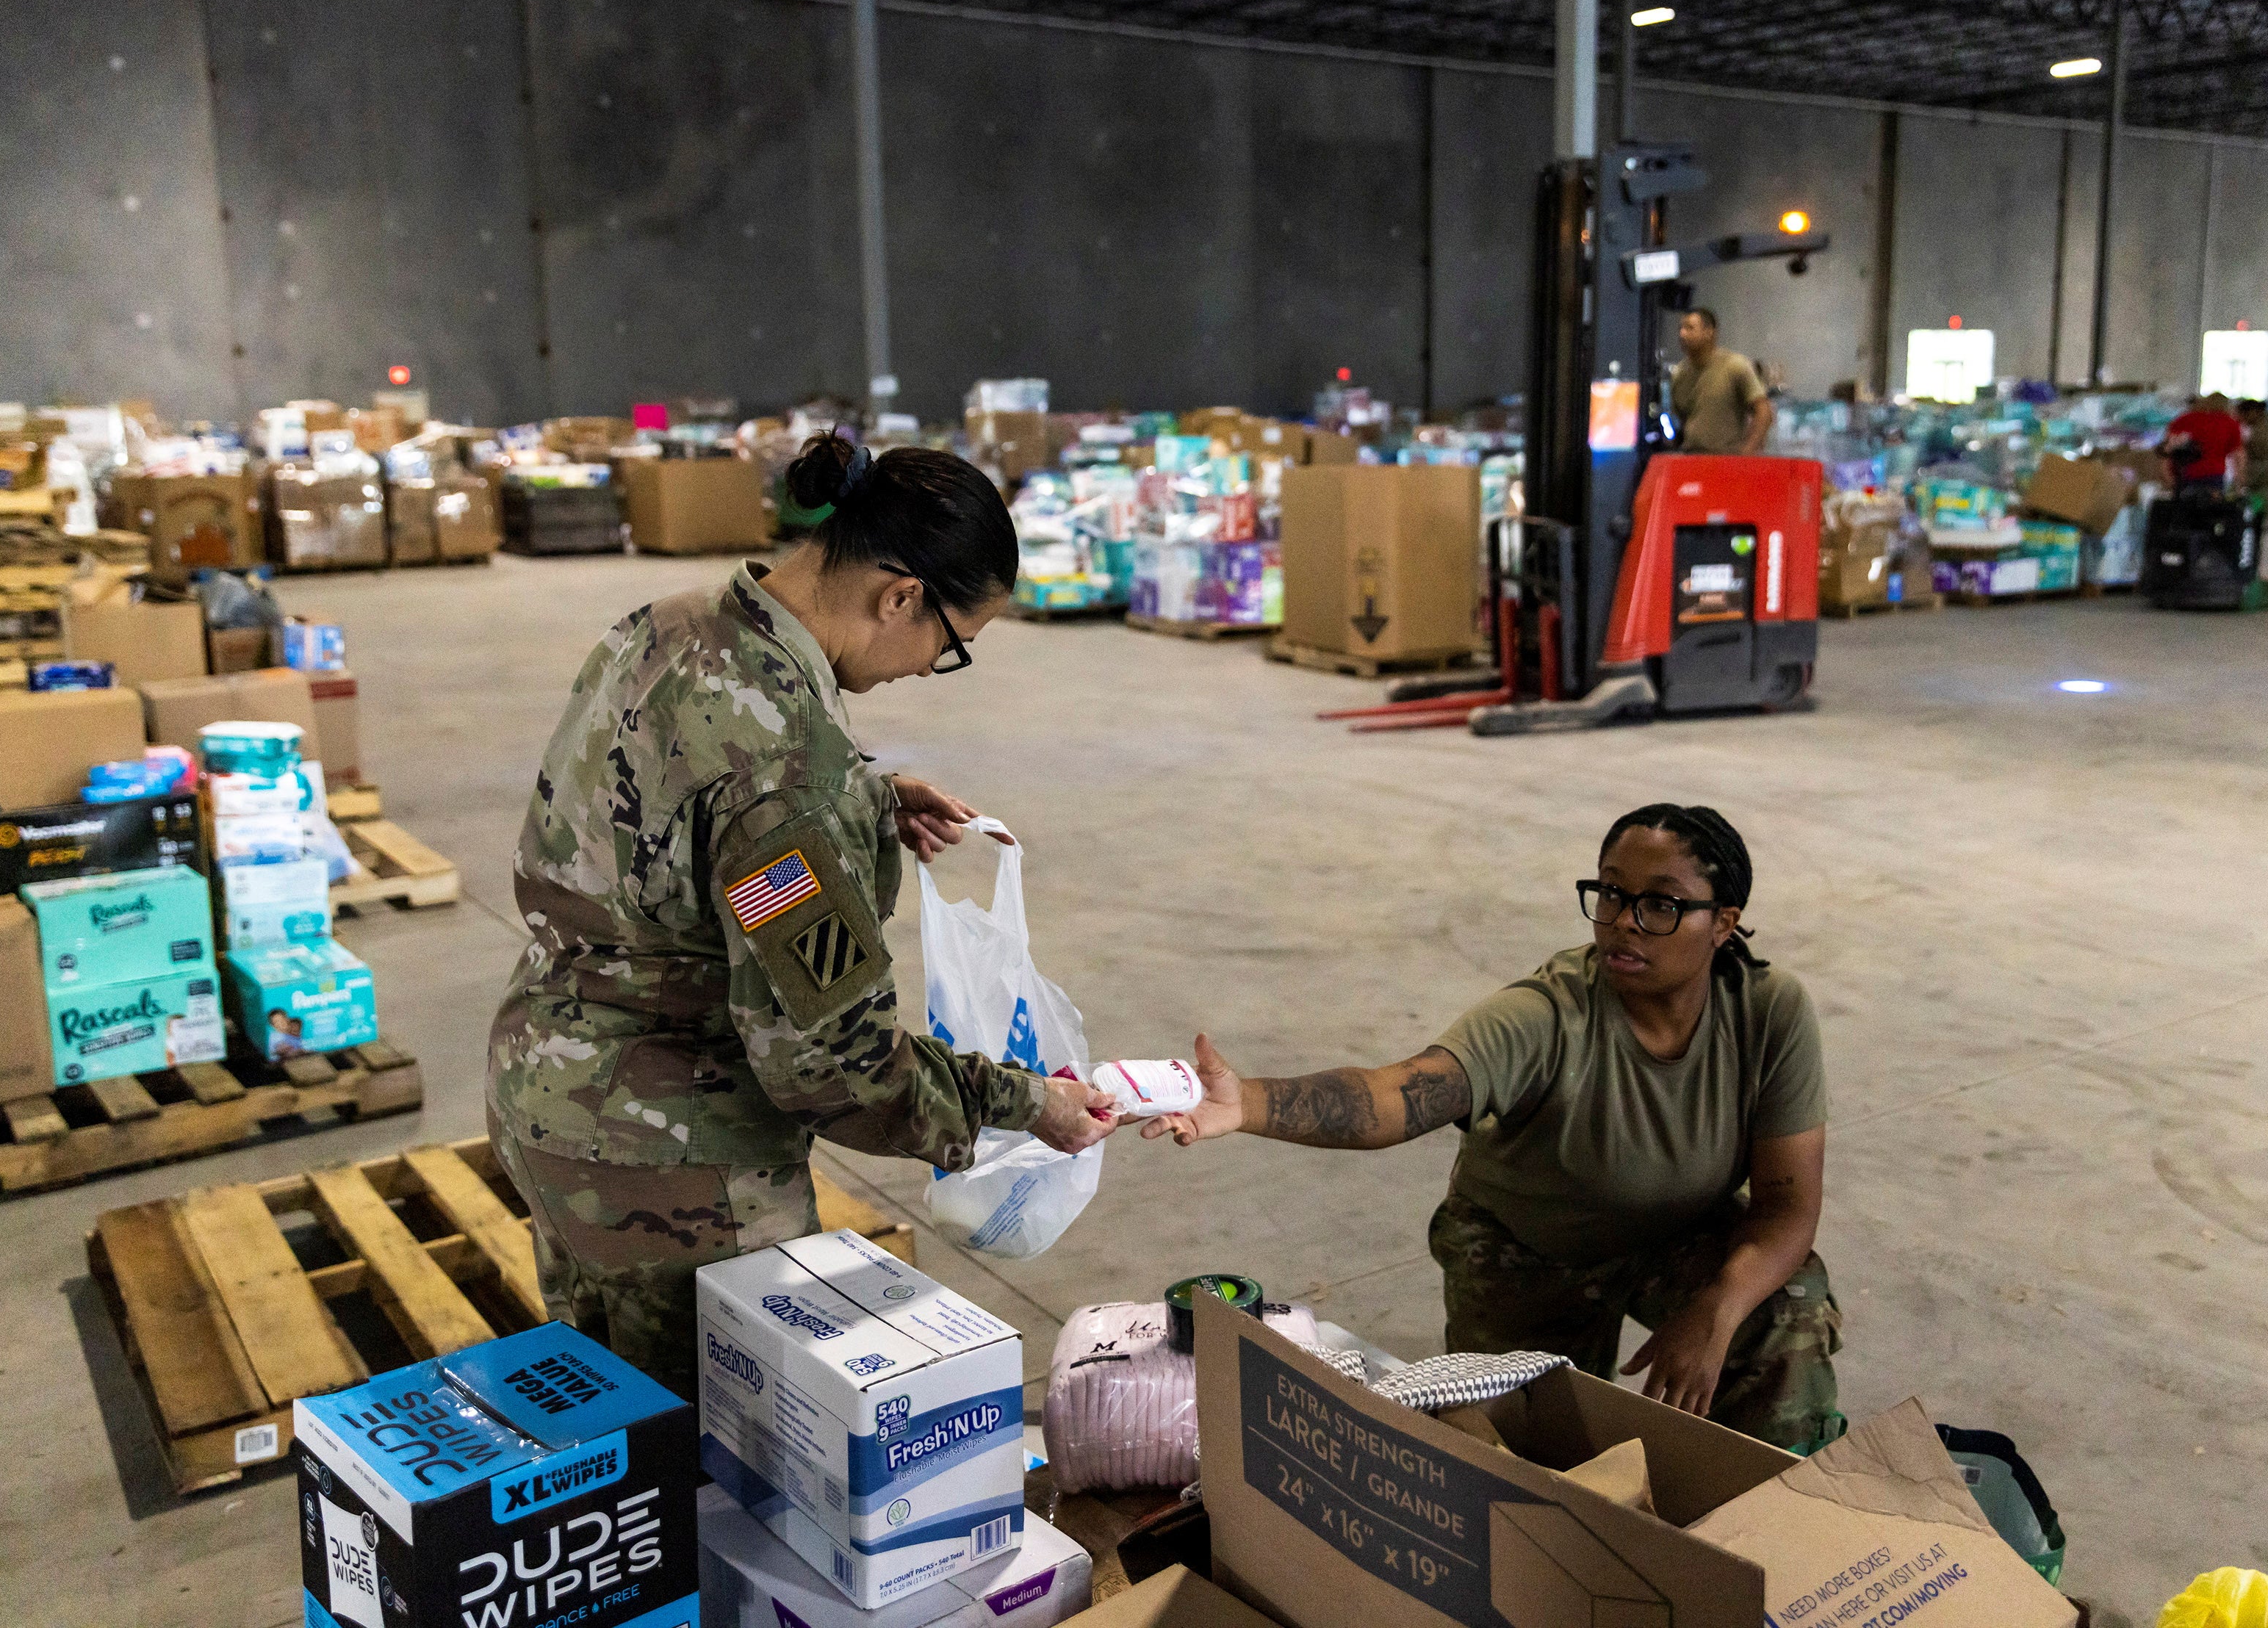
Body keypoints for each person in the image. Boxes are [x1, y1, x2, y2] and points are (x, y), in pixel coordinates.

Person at [489, 433, 1118, 1397]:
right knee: (716, 1480)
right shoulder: (791, 774)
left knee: (605, 1436)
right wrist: (1025, 1105)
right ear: (900, 594)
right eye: (951, 647)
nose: (928, 667)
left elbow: (682, 785)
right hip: (674, 1159)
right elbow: (836, 1065)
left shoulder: (671, 622)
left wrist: (864, 792)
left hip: (546, 1093)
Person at [1146, 804, 1840, 1449]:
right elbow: (1394, 1097)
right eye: (1611, 894)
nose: (1625, 921)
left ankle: (1776, 1515)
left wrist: (1717, 1311)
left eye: (1661, 904)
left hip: (1678, 1234)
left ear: (1723, 923)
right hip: (1527, 1248)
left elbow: (1788, 1207)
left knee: (1784, 1305)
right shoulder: (1545, 1015)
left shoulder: (1767, 1011)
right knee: (1522, 1459)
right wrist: (1249, 1104)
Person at [1670, 309, 1774, 456]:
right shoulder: (1679, 373)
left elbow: (1764, 413)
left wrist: (1747, 452)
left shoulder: (1735, 366)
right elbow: (1683, 420)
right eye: (1681, 329)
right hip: (1692, 460)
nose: (1683, 334)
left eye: (1690, 328)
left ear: (1709, 332)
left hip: (1726, 461)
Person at [2162, 392, 2245, 494]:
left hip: (2185, 474)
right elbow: (2238, 454)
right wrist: (2240, 478)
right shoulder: (2230, 423)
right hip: (2215, 474)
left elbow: (2167, 450)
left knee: (2184, 508)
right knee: (2212, 508)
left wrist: (2167, 475)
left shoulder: (2184, 420)